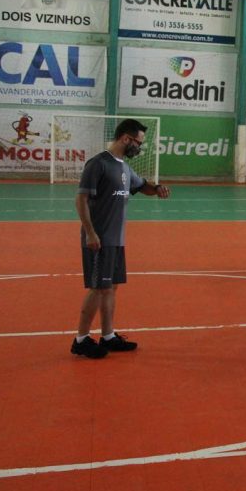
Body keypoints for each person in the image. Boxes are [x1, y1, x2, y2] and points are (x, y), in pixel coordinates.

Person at [71, 119, 170, 359]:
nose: (139, 148)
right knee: (98, 288)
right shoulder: (98, 164)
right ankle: (81, 340)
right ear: (126, 138)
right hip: (99, 238)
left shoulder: (124, 168)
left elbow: (143, 186)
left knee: (111, 287)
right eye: (138, 142)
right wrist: (90, 232)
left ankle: (108, 336)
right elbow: (81, 199)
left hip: (116, 239)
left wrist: (157, 188)